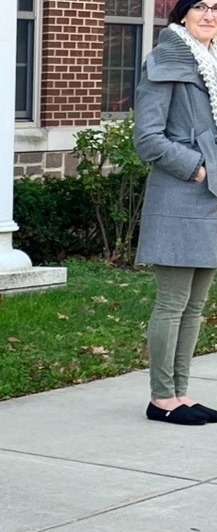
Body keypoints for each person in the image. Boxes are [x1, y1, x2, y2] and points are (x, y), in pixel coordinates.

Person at [135, 0, 217, 425]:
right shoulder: (165, 60)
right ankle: (161, 398)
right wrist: (198, 168)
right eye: (200, 6)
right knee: (172, 302)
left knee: (196, 305)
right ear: (182, 13)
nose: (208, 15)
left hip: (211, 201)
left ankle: (180, 393)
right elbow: (147, 138)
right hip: (180, 196)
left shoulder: (212, 63)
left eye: (216, 8)